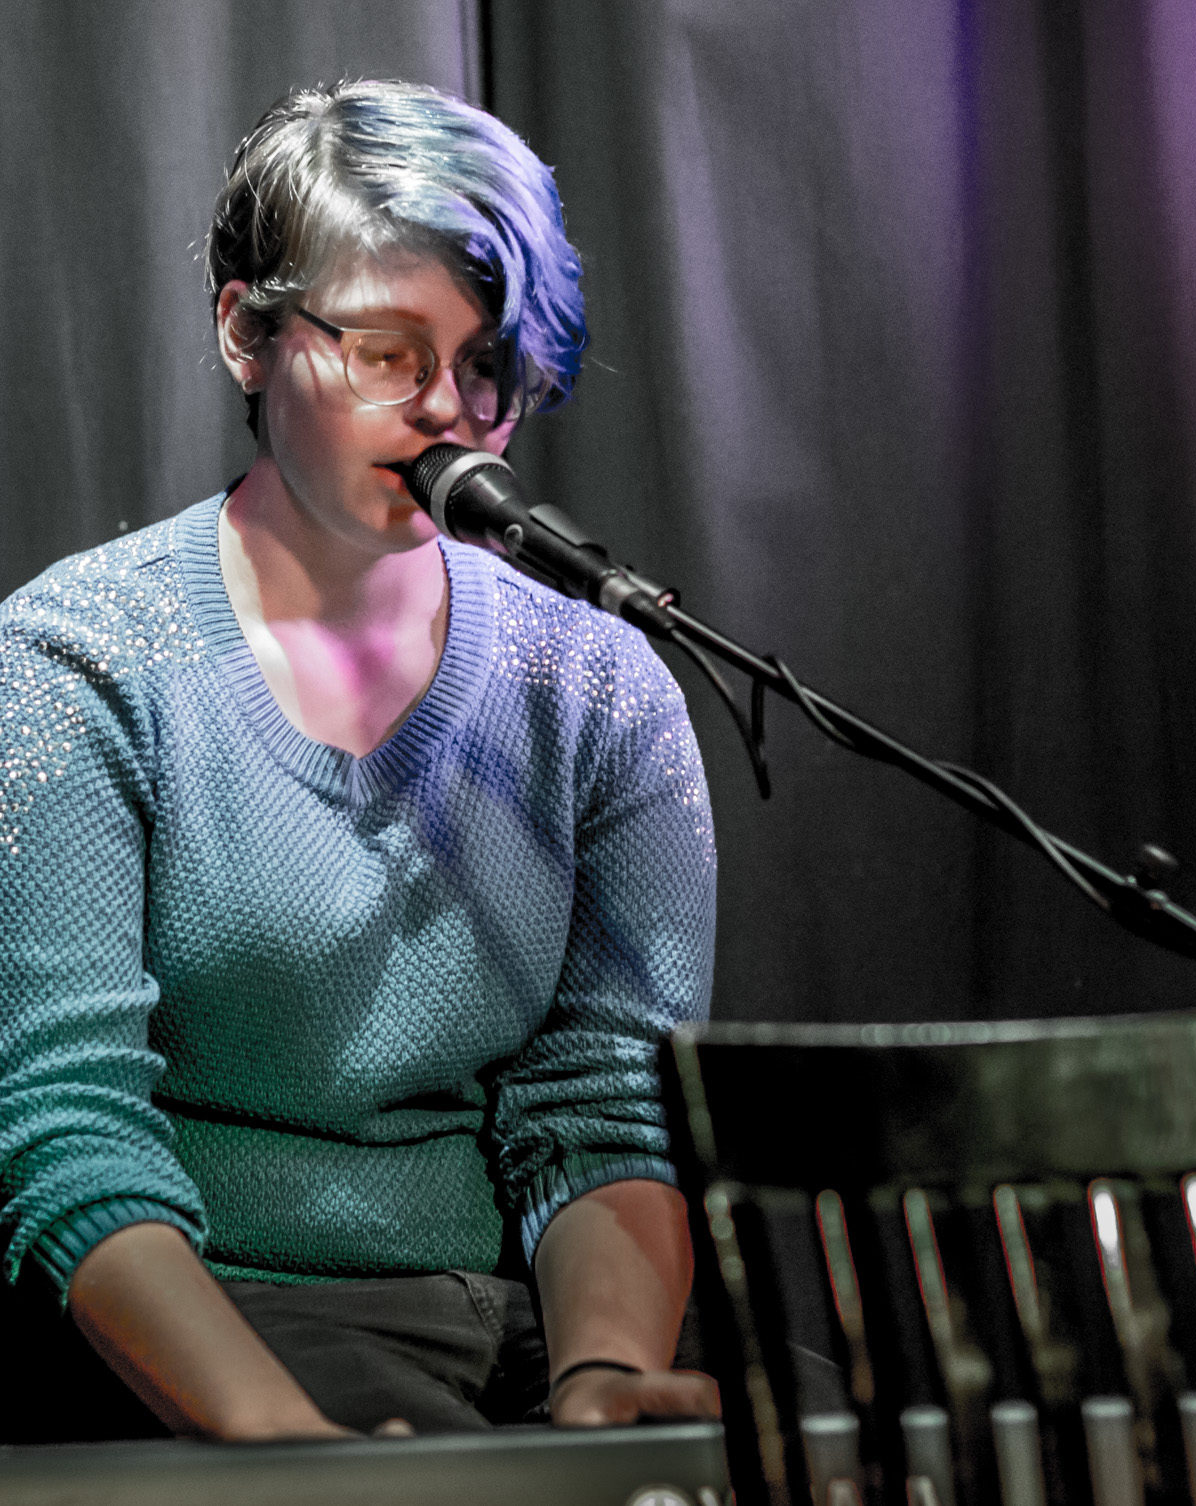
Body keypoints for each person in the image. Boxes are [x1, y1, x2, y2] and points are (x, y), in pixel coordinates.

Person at [0, 80, 720, 1440]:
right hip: (229, 1326)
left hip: (522, 1328)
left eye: (486, 364)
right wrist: (284, 1444)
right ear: (247, 333)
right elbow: (66, 1129)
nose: (448, 408)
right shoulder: (76, 660)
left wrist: (604, 1381)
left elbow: (605, 1106)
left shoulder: (600, 685)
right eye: (389, 353)